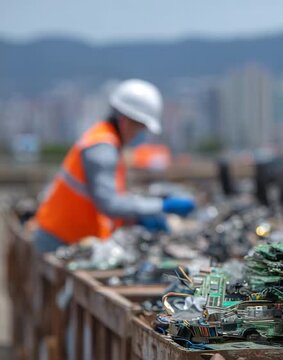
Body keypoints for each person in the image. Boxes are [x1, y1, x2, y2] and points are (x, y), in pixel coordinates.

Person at [33, 79, 195, 253]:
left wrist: (135, 218)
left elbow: (105, 199)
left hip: (65, 236)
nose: (140, 134)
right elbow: (109, 204)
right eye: (140, 127)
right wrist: (162, 206)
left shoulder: (105, 140)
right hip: (58, 239)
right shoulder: (103, 148)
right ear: (126, 121)